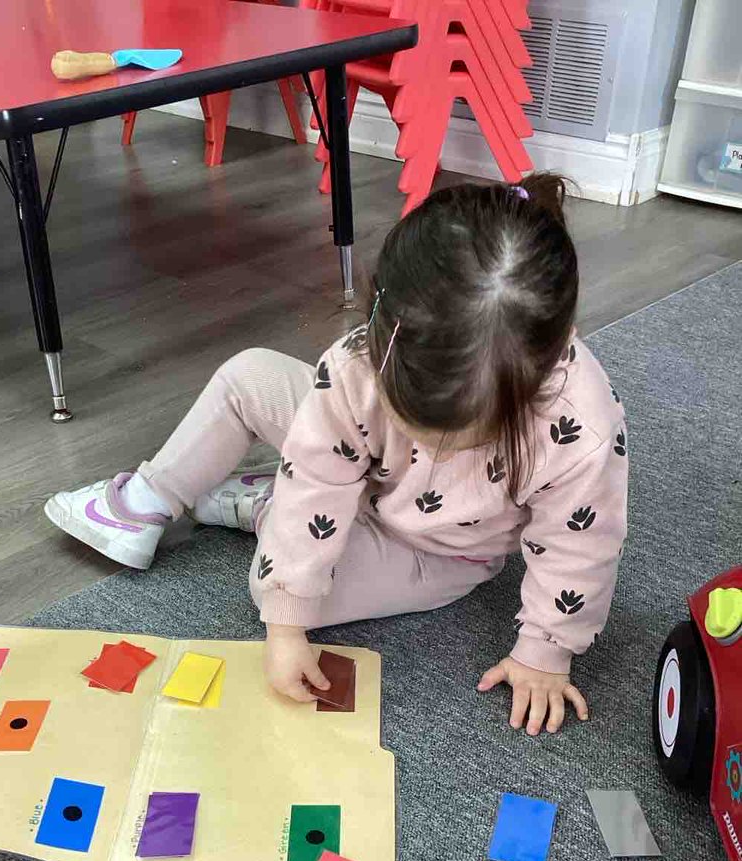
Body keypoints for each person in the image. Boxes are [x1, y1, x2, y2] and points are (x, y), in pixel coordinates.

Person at [45, 173, 628, 735]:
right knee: (246, 376)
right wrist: (285, 627)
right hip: (357, 474)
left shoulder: (580, 426)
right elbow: (321, 470)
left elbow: (580, 546)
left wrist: (545, 652)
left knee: (276, 591)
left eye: (459, 435)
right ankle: (147, 501)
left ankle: (266, 503)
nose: (430, 446)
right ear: (382, 333)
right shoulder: (360, 359)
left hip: (438, 552)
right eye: (414, 419)